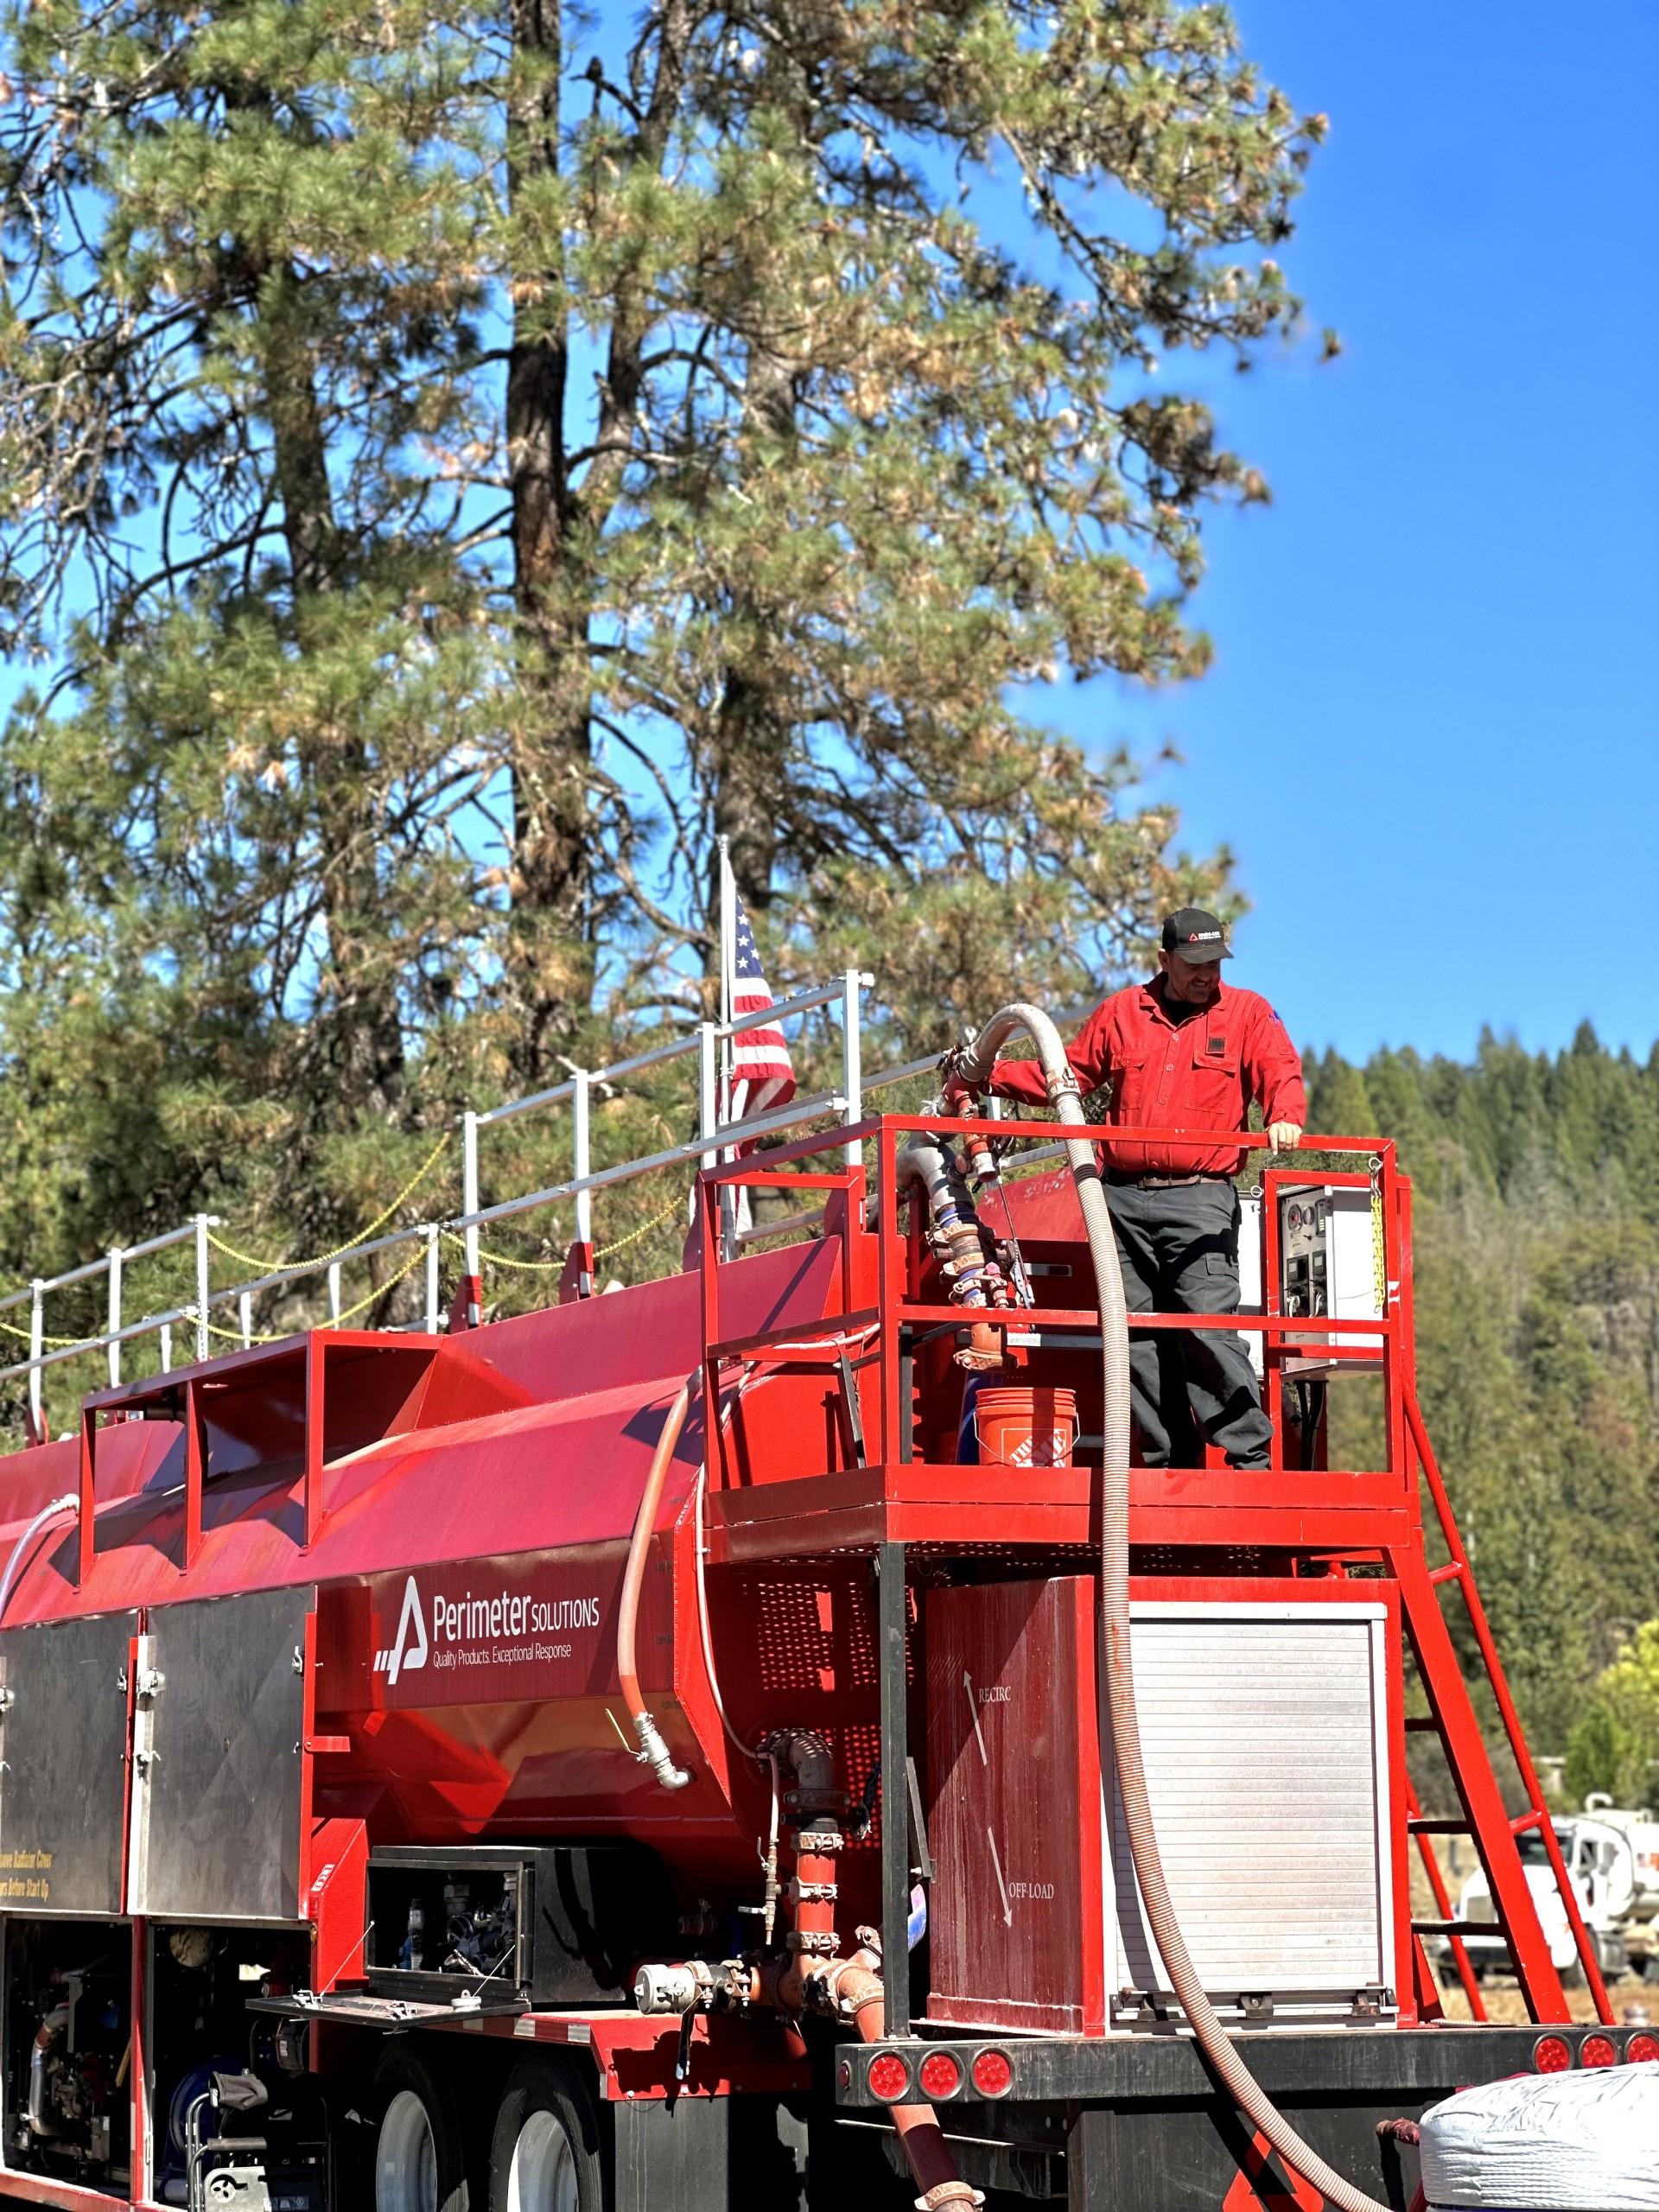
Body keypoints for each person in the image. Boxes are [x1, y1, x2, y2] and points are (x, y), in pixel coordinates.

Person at [944, 907, 1304, 1471]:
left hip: (1200, 1198)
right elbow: (1068, 1076)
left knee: (1206, 1325)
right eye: (1193, 964)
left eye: (1213, 963)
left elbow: (1279, 1070)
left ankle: (1248, 1461)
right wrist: (987, 1073)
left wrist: (1285, 1115)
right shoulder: (1123, 1013)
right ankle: (1167, 1466)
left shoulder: (1248, 1014)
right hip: (1121, 1200)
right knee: (1136, 1337)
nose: (1205, 974)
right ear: (1165, 960)